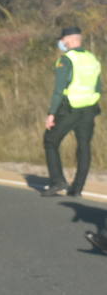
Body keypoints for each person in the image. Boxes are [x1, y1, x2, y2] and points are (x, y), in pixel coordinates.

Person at [40, 25, 100, 197]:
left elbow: (59, 89)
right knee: (83, 146)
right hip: (89, 108)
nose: (61, 42)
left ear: (69, 39)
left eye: (62, 39)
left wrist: (51, 113)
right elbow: (98, 86)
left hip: (70, 108)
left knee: (50, 140)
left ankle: (57, 181)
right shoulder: (92, 58)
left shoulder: (66, 60)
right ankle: (77, 188)